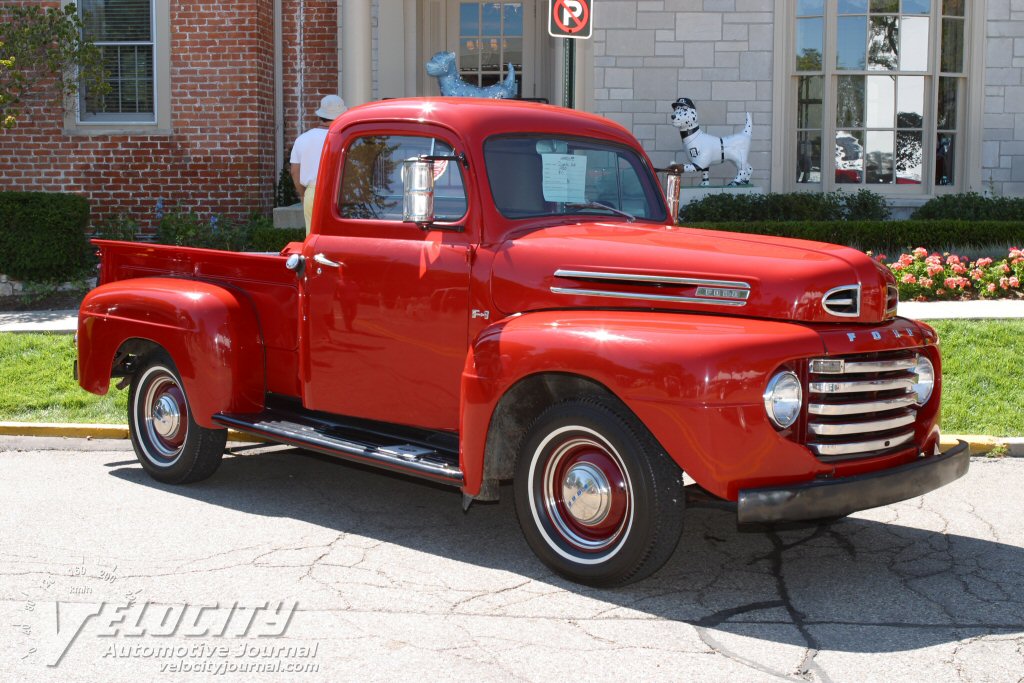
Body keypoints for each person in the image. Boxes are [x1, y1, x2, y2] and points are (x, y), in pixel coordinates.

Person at [290, 95, 347, 234]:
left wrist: (303, 195)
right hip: (339, 193)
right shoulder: (344, 138)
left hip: (312, 192)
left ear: (320, 115)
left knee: (314, 237)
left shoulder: (302, 139)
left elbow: (294, 172)